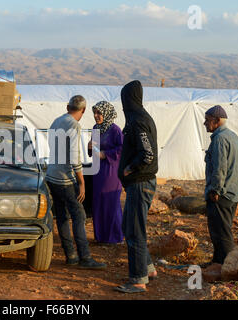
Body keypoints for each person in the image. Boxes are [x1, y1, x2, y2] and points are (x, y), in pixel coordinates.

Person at [46, 95, 107, 270]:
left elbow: (52, 146)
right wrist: (81, 182)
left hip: (52, 175)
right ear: (84, 110)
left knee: (62, 216)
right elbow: (74, 157)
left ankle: (70, 255)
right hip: (65, 179)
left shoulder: (56, 121)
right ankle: (85, 257)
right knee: (79, 216)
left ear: (67, 107)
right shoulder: (74, 125)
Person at [115, 80, 158, 293]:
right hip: (138, 184)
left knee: (133, 230)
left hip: (140, 183)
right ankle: (148, 269)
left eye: (124, 100)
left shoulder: (139, 120)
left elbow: (147, 154)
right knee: (131, 227)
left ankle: (138, 279)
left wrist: (128, 169)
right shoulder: (138, 118)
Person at [202, 105, 238, 270]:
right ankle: (217, 263)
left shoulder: (220, 139)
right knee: (219, 231)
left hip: (222, 194)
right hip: (232, 192)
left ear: (217, 121)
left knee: (222, 233)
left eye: (207, 120)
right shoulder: (232, 136)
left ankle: (228, 270)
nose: (205, 123)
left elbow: (220, 167)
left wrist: (215, 190)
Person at [88, 101, 124, 244]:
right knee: (99, 201)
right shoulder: (96, 128)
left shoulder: (115, 130)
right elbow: (94, 149)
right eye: (95, 113)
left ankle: (115, 237)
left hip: (111, 170)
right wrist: (90, 147)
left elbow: (122, 149)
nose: (96, 116)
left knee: (110, 202)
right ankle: (101, 236)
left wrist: (105, 154)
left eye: (99, 113)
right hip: (98, 170)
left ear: (107, 114)